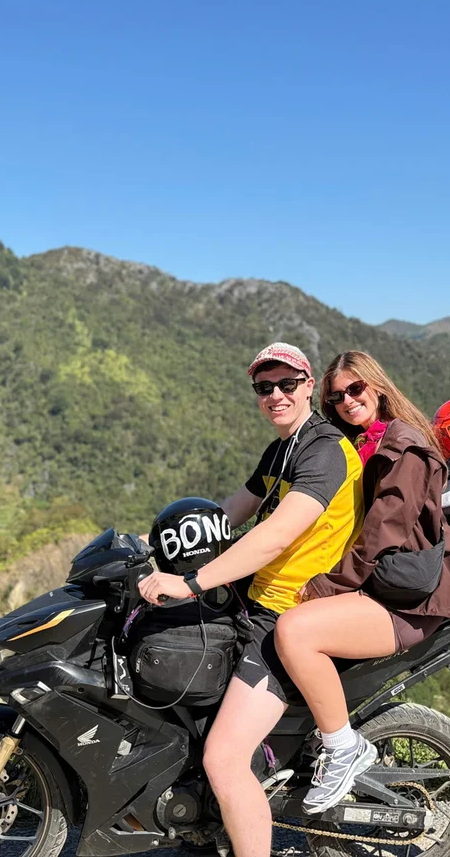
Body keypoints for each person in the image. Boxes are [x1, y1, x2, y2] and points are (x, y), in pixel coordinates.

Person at [137, 342, 364, 857]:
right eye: (265, 387)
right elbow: (230, 513)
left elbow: (276, 535)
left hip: (287, 616)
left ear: (309, 386)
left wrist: (192, 582)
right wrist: (155, 548)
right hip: (256, 602)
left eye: (288, 384)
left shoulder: (324, 450)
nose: (276, 395)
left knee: (223, 757)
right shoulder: (283, 448)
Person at [273, 350, 450, 814]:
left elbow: (384, 532)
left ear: (376, 386)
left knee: (295, 631)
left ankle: (342, 748)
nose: (346, 401)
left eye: (355, 390)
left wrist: (328, 585)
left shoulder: (404, 448)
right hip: (375, 587)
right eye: (336, 397)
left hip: (405, 601)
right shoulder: (360, 445)